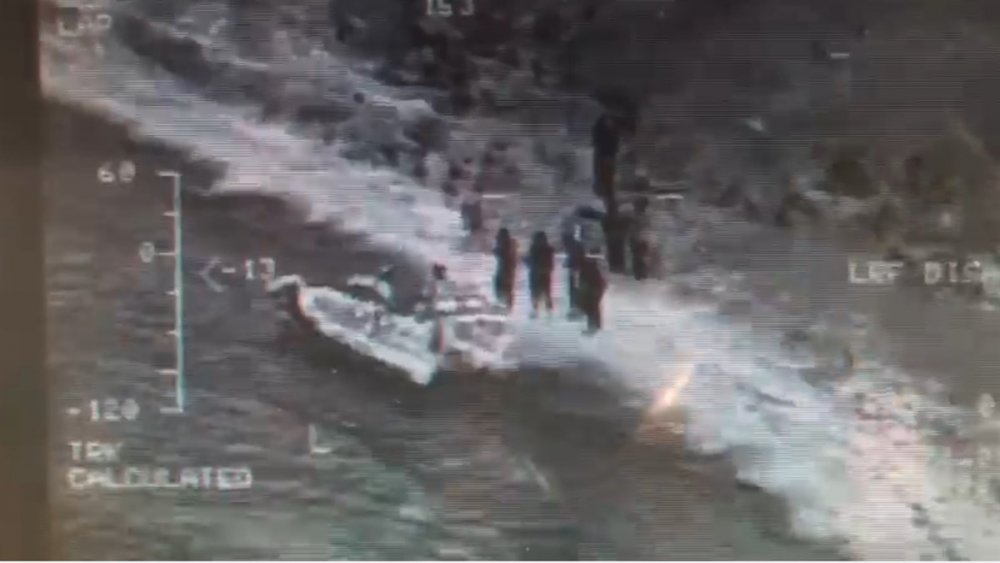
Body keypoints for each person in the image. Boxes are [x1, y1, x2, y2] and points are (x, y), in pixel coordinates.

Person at [592, 113, 621, 210]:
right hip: (603, 156)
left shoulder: (612, 130)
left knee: (608, 180)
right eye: (608, 121)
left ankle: (608, 200)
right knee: (604, 178)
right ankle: (607, 200)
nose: (610, 123)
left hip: (608, 156)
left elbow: (615, 143)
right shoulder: (601, 129)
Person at [527, 231, 555, 317]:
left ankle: (535, 310)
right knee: (547, 292)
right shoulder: (549, 250)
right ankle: (549, 311)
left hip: (535, 274)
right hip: (545, 273)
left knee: (535, 292)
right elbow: (551, 264)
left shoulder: (533, 249)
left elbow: (531, 262)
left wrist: (526, 261)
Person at [578, 250, 607, 334]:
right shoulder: (591, 266)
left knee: (591, 308)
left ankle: (593, 327)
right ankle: (596, 326)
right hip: (597, 288)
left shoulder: (586, 267)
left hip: (594, 289)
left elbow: (585, 284)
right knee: (594, 308)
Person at [562, 223, 585, 318]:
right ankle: (576, 307)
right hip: (577, 269)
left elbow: (574, 256)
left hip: (576, 269)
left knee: (574, 289)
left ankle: (575, 307)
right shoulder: (577, 244)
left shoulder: (575, 245)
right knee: (575, 289)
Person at [628, 196, 652, 280]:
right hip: (640, 241)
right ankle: (641, 275)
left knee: (639, 259)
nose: (634, 207)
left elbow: (634, 230)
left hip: (639, 241)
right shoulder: (643, 217)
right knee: (640, 259)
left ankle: (641, 275)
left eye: (635, 205)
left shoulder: (638, 217)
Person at [493, 228, 518, 309]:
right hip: (509, 270)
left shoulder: (505, 244)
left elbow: (499, 253)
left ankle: (504, 304)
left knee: (501, 286)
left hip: (504, 269)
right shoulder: (511, 243)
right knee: (507, 287)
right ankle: (508, 305)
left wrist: (497, 248)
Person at [602, 208, 628, 274]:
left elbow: (604, 227)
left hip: (613, 236)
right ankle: (618, 267)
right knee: (617, 251)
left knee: (614, 251)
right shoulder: (621, 218)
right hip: (616, 236)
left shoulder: (606, 218)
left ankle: (616, 267)